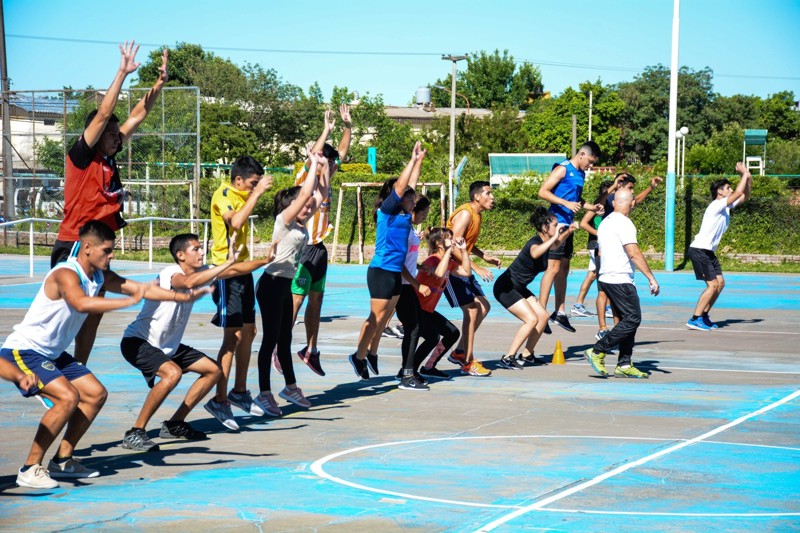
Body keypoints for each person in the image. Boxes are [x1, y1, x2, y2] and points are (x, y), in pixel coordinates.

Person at [1, 221, 201, 489]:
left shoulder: (99, 276)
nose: (112, 256)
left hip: (54, 353)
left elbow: (139, 288)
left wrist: (178, 297)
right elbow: (81, 303)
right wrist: (126, 301)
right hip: (25, 350)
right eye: (107, 251)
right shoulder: (65, 274)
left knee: (95, 394)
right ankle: (30, 468)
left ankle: (62, 460)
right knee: (67, 397)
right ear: (87, 248)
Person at [50, 42, 169, 365]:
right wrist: (122, 72)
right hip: (75, 245)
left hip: (97, 248)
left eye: (119, 133)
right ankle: (45, 363)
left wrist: (158, 84)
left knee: (93, 316)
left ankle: (77, 366)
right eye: (113, 133)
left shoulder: (108, 157)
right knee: (68, 315)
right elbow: (105, 113)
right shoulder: (83, 155)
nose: (119, 137)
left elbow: (137, 115)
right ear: (97, 133)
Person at [119, 233, 278, 450]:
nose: (202, 252)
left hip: (168, 346)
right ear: (180, 255)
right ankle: (135, 432)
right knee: (172, 374)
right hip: (138, 342)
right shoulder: (171, 274)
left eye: (202, 248)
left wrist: (265, 261)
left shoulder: (202, 272)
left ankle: (175, 423)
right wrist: (226, 264)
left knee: (213, 370)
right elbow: (188, 282)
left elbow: (234, 270)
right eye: (196, 249)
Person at [254, 152, 328, 414]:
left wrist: (325, 166)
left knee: (284, 339)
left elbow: (320, 195)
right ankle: (263, 394)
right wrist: (312, 167)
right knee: (270, 340)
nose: (308, 208)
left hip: (285, 285)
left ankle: (289, 386)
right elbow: (310, 192)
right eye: (302, 204)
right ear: (291, 206)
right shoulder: (284, 221)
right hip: (271, 284)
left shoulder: (302, 223)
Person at [203, 156, 273, 431]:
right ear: (239, 180)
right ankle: (220, 399)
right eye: (252, 184)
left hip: (242, 269)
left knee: (249, 332)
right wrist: (256, 194)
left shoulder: (242, 193)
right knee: (231, 338)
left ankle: (239, 391)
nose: (254, 188)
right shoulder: (223, 196)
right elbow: (234, 222)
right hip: (226, 272)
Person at [348, 142, 425, 380]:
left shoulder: (402, 213)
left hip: (394, 273)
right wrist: (410, 160)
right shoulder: (388, 210)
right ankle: (358, 356)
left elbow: (409, 186)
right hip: (381, 271)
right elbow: (402, 187)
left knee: (385, 317)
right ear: (397, 198)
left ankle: (372, 353)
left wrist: (419, 161)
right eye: (410, 200)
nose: (414, 203)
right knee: (376, 317)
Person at [289, 105, 352, 376]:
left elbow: (342, 153)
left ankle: (310, 350)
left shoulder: (327, 179)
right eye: (326, 161)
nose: (331, 165)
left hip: (318, 250)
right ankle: (281, 347)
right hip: (301, 250)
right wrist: (326, 128)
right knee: (295, 303)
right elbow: (315, 155)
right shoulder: (306, 178)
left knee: (315, 303)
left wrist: (348, 126)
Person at [585, 189, 660, 379]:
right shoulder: (625, 223)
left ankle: (624, 363)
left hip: (607, 277)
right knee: (633, 319)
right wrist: (651, 277)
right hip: (620, 279)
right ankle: (597, 350)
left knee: (628, 320)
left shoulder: (606, 222)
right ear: (632, 203)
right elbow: (633, 252)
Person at [494, 207, 579, 369]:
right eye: (555, 225)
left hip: (519, 287)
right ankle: (507, 357)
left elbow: (555, 245)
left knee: (543, 316)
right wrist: (555, 235)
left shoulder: (546, 242)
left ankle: (527, 355)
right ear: (545, 228)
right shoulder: (534, 243)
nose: (557, 227)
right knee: (531, 319)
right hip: (506, 287)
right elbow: (535, 253)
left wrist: (568, 231)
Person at [537, 141, 604, 333]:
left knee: (564, 268)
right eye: (590, 162)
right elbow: (542, 191)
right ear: (582, 154)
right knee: (553, 268)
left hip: (568, 224)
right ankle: (541, 311)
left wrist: (591, 207)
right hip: (555, 224)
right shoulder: (563, 169)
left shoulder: (580, 174)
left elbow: (576, 200)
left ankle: (560, 312)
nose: (590, 166)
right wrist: (565, 203)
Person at [686, 162, 752, 331]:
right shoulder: (716, 205)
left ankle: (704, 315)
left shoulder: (726, 207)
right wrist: (743, 174)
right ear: (719, 191)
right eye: (727, 188)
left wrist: (747, 176)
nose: (730, 190)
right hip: (699, 250)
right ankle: (694, 319)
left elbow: (745, 196)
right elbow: (738, 192)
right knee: (712, 285)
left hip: (708, 252)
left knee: (720, 283)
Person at [444, 181, 500, 377]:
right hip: (452, 269)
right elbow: (452, 244)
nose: (492, 198)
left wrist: (484, 256)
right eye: (488, 193)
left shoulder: (477, 215)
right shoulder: (466, 213)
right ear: (477, 196)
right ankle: (468, 360)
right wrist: (476, 267)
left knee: (483, 306)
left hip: (464, 266)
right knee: (473, 310)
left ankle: (460, 351)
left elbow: (465, 243)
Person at [393, 195, 433, 390]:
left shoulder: (410, 229)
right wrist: (418, 285)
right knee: (414, 328)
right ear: (413, 210)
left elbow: (407, 258)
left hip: (407, 284)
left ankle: (407, 371)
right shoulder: (403, 229)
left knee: (424, 331)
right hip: (402, 286)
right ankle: (407, 374)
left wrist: (419, 266)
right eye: (423, 212)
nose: (425, 216)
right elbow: (398, 262)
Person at [570, 180, 613, 318]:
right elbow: (583, 223)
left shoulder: (612, 206)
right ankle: (607, 308)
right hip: (596, 244)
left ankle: (578, 305)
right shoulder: (599, 205)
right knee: (605, 275)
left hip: (600, 244)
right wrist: (600, 234)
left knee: (592, 274)